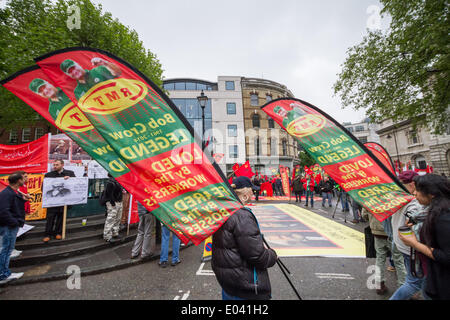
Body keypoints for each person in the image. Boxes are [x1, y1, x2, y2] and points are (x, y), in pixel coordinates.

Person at [212, 184, 278, 300]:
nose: (253, 193)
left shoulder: (224, 210)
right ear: (244, 196)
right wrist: (272, 255)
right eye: (252, 191)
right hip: (245, 287)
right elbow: (257, 256)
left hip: (228, 283)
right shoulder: (242, 216)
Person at [398, 174, 450, 300]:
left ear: (431, 194)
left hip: (441, 282)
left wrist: (414, 244)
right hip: (431, 272)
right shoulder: (431, 211)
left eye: (418, 190)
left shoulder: (443, 218)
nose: (414, 193)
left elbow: (446, 256)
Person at [390, 170, 427, 300]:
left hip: (402, 244)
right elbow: (414, 222)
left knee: (418, 280)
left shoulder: (398, 197)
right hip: (411, 248)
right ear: (412, 184)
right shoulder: (414, 202)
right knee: (414, 283)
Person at [361, 207, 405, 295]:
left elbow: (364, 215)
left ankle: (379, 284)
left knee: (380, 258)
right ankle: (403, 286)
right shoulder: (394, 196)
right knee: (399, 260)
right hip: (393, 231)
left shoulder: (369, 196)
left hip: (377, 232)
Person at [0, 172, 31, 284]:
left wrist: (23, 199)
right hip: (8, 227)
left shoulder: (12, 192)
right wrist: (14, 222)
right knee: (6, 250)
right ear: (19, 180)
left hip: (10, 225)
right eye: (23, 178)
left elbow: (13, 204)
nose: (25, 180)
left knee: (7, 249)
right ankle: (3, 275)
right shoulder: (7, 193)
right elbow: (3, 211)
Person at [42, 160, 75, 242]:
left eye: (57, 165)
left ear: (62, 165)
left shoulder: (70, 173)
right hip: (52, 202)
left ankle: (58, 233)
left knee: (61, 218)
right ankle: (47, 234)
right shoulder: (49, 175)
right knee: (50, 218)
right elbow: (43, 188)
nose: (55, 166)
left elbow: (76, 184)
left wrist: (70, 180)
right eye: (54, 165)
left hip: (64, 202)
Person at [102, 173, 123, 243]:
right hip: (113, 203)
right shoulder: (110, 182)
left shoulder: (116, 181)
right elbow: (109, 194)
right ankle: (107, 236)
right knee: (111, 219)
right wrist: (113, 203)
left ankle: (115, 233)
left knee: (117, 218)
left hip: (118, 202)